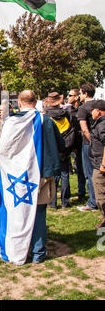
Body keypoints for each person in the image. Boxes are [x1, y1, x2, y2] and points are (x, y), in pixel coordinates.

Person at [0, 90, 64, 264]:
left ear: (19, 103)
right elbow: (60, 144)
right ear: (36, 102)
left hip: (17, 176)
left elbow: (1, 150)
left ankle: (20, 248)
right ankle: (38, 252)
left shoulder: (11, 123)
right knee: (39, 213)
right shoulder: (46, 121)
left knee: (18, 212)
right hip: (41, 173)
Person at [44, 92, 72, 208]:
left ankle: (52, 202)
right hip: (65, 147)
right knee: (65, 175)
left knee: (54, 176)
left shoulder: (46, 116)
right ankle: (65, 202)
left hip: (52, 148)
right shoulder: (66, 114)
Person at [77, 83, 98, 211]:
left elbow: (84, 129)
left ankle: (92, 202)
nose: (79, 95)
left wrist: (91, 142)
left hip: (88, 144)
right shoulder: (100, 105)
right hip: (101, 143)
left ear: (85, 93)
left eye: (80, 93)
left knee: (89, 173)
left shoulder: (83, 108)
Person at [66, 89, 86, 202]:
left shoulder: (83, 109)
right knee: (66, 170)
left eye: (70, 95)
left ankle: (81, 192)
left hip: (80, 142)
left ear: (77, 97)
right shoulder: (68, 110)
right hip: (69, 143)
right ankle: (66, 196)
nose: (68, 97)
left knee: (80, 168)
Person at [89, 100, 105, 229]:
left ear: (98, 111)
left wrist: (103, 164)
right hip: (99, 162)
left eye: (92, 110)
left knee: (101, 196)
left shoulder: (102, 125)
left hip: (100, 165)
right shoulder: (100, 123)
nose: (91, 112)